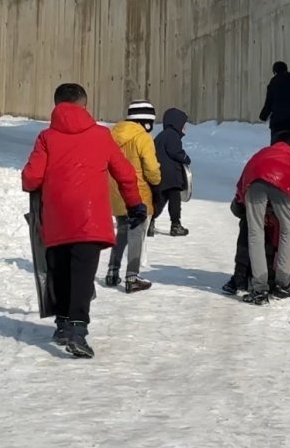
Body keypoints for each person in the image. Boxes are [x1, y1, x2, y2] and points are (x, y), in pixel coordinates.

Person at [21, 83, 146, 358]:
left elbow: (31, 178)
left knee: (61, 272)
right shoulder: (101, 136)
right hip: (90, 221)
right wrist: (135, 204)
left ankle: (63, 324)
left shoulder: (46, 138)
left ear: (55, 106)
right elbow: (125, 173)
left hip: (56, 220)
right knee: (82, 276)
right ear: (84, 106)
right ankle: (78, 330)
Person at [224, 160, 290, 298]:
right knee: (247, 222)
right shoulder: (260, 173)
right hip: (267, 226)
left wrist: (289, 214)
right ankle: (240, 275)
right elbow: (237, 208)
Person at [232, 130, 290, 305]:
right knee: (288, 229)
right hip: (283, 180)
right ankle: (283, 283)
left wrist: (241, 199)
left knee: (255, 232)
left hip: (255, 179)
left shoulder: (263, 152)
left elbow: (244, 176)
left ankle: (260, 288)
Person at [106, 100, 162, 293]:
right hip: (138, 193)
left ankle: (112, 271)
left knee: (121, 231)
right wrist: (157, 182)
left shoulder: (111, 134)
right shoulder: (143, 138)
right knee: (136, 234)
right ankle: (132, 276)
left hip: (115, 192)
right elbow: (151, 169)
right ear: (146, 121)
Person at [151, 107, 192, 237]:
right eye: (183, 125)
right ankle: (176, 225)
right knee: (175, 201)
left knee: (159, 200)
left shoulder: (161, 136)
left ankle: (149, 222)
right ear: (177, 123)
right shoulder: (173, 135)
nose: (184, 128)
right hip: (172, 177)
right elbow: (175, 152)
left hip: (160, 174)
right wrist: (185, 158)